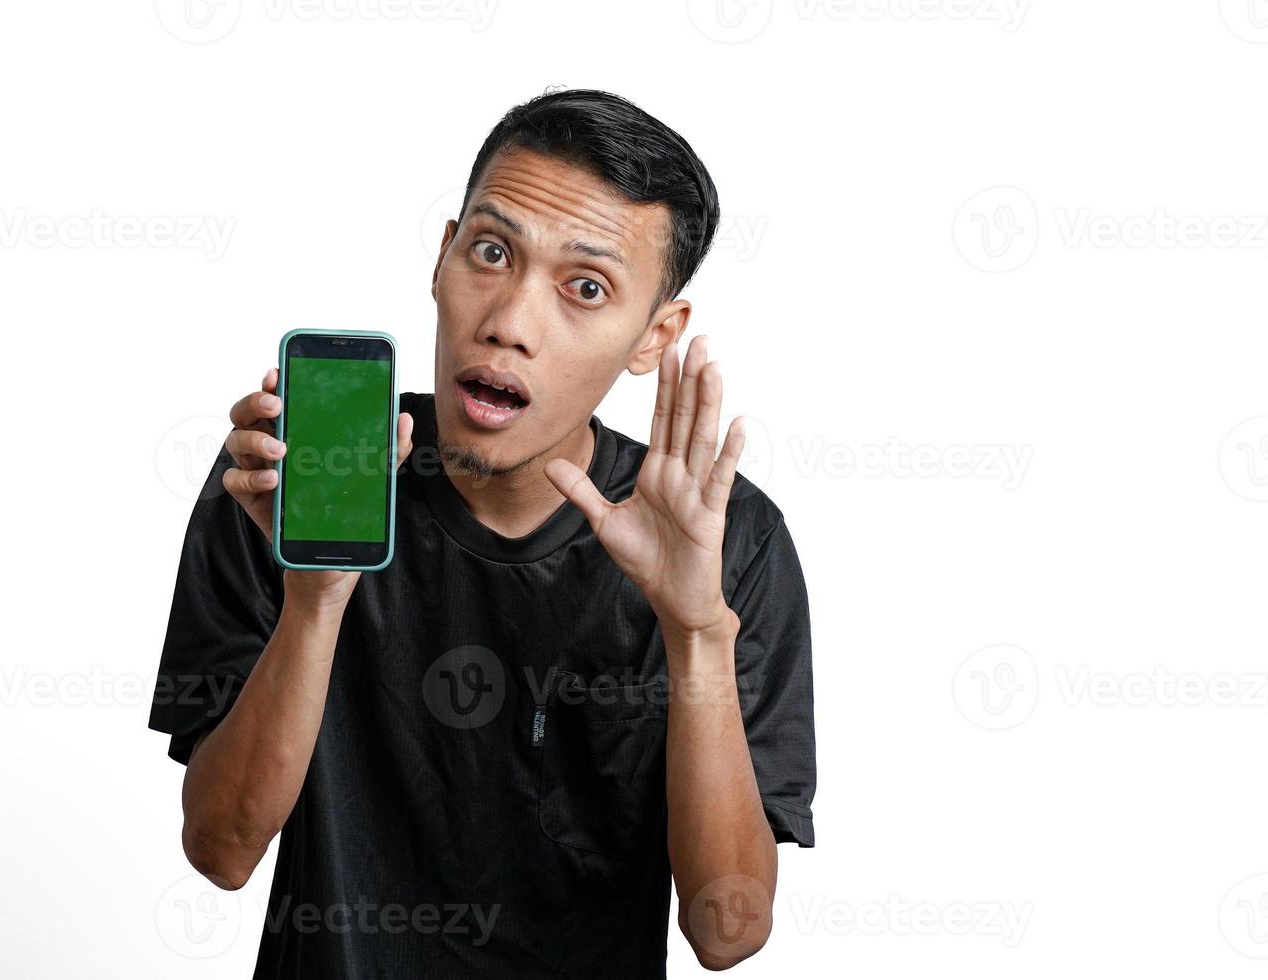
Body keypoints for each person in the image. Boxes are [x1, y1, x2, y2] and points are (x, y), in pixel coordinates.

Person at [149, 87, 816, 978]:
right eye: (490, 252)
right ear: (441, 259)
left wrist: (696, 632)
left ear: (654, 336)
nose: (507, 322)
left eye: (586, 288)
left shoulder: (729, 542)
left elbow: (727, 932)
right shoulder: (296, 485)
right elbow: (220, 850)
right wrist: (313, 599)